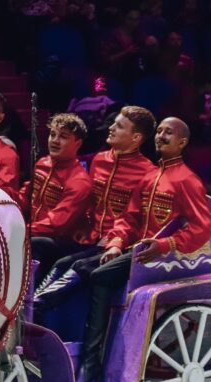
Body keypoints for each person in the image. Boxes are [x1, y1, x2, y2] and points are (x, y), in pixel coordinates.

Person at [74, 117, 211, 382]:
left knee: (100, 277)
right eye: (159, 131)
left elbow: (203, 227)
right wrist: (116, 242)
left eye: (168, 133)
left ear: (182, 142)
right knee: (81, 266)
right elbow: (129, 218)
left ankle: (92, 363)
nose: (161, 136)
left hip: (160, 256)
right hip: (137, 251)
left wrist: (166, 245)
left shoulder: (187, 180)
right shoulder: (150, 177)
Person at [34, 106, 157, 315]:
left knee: (76, 264)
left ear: (136, 138)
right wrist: (84, 226)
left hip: (118, 246)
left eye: (118, 126)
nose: (111, 128)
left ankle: (34, 306)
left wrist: (115, 241)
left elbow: (134, 218)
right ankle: (33, 304)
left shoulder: (148, 173)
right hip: (91, 240)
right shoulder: (100, 160)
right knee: (52, 253)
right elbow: (91, 203)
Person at [19, 113, 93, 286]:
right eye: (53, 134)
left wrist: (23, 230)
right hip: (32, 232)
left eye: (63, 137)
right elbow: (24, 196)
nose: (55, 140)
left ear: (78, 144)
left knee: (36, 242)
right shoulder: (42, 163)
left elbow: (57, 224)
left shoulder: (79, 181)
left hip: (58, 243)